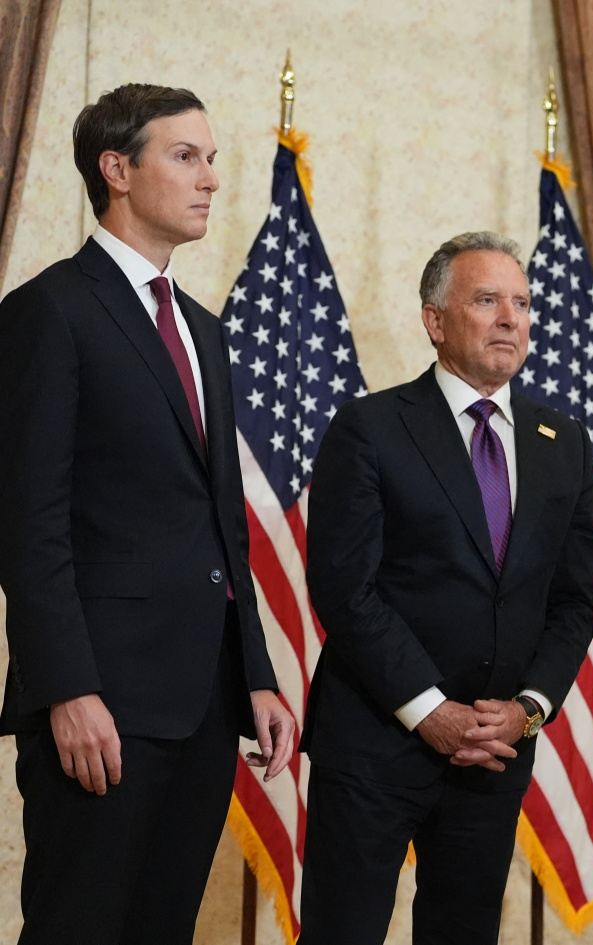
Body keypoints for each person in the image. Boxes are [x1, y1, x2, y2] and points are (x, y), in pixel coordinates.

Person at [0, 83, 295, 944]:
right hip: (101, 701)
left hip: (203, 702)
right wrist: (67, 686)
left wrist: (255, 673)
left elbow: (222, 522)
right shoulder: (48, 311)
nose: (211, 179)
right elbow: (27, 522)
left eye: (213, 159)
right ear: (117, 169)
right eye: (186, 156)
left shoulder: (204, 329)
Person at [298, 231, 593, 944]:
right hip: (375, 744)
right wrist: (429, 709)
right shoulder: (370, 428)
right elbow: (346, 591)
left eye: (521, 303)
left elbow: (573, 602)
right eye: (487, 300)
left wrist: (528, 709)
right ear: (435, 321)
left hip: (493, 755)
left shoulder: (565, 443)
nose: (511, 319)